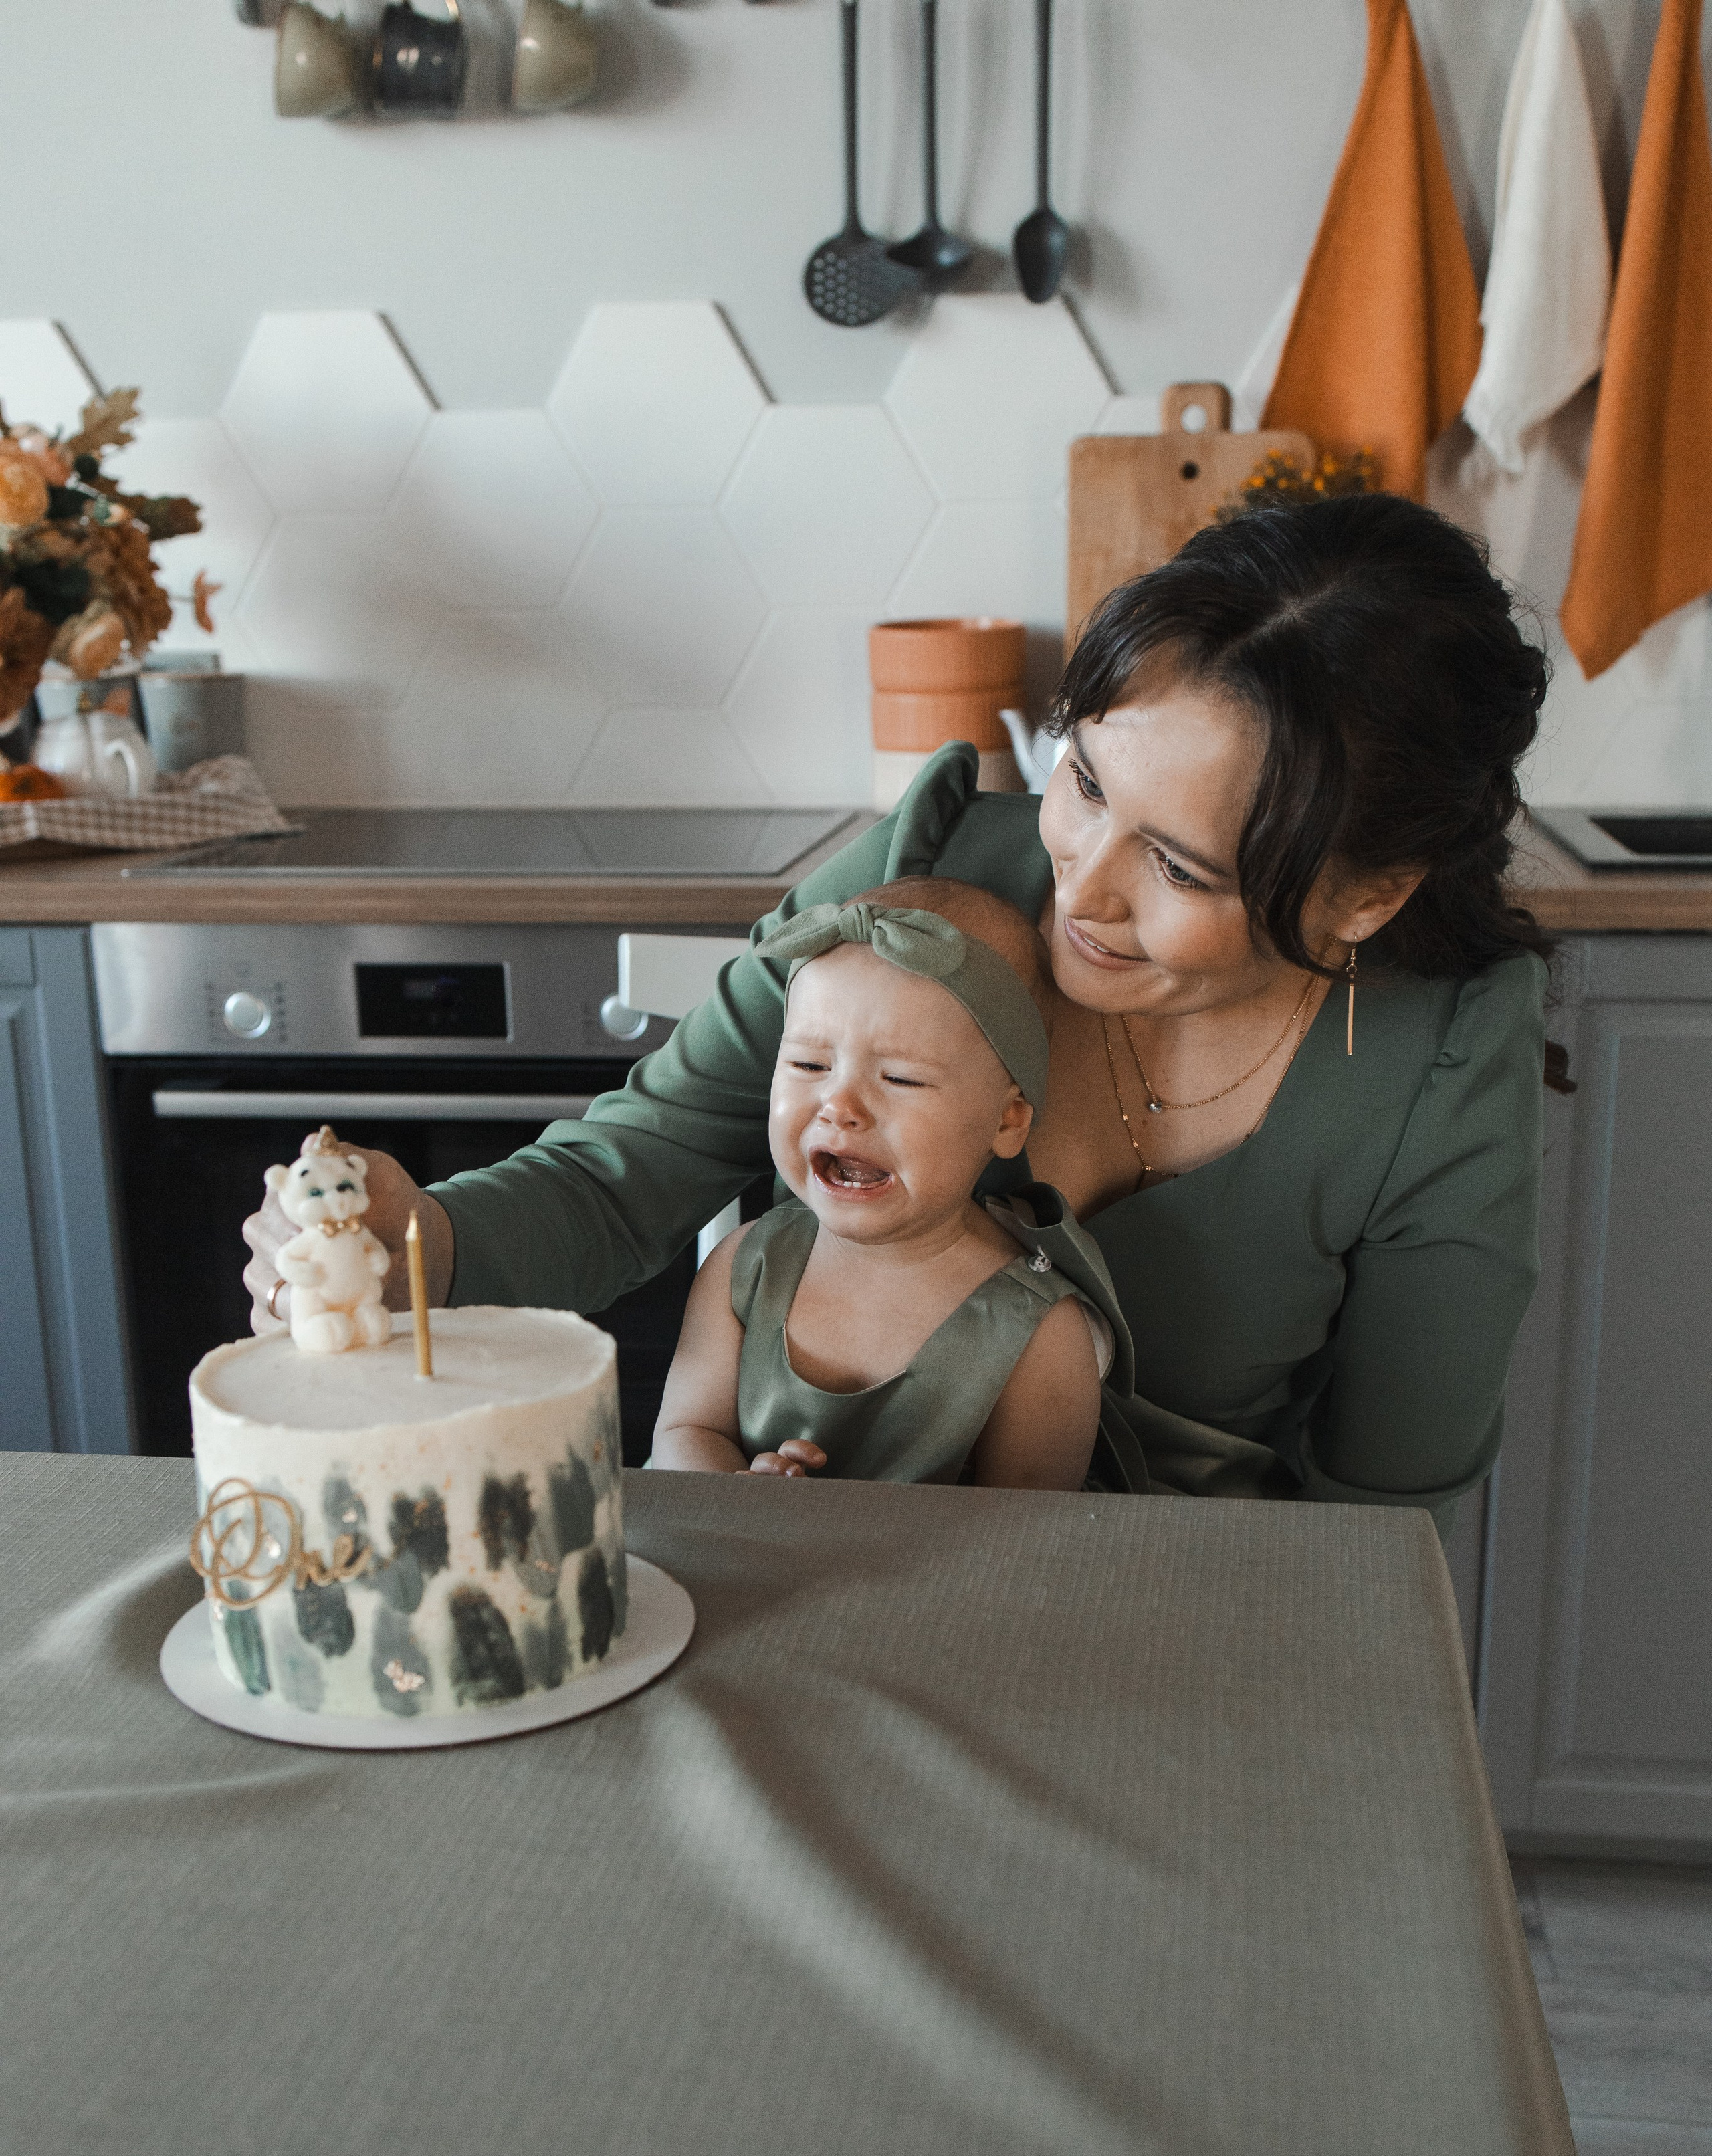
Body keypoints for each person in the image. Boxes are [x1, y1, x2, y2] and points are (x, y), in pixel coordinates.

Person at [243, 494, 1560, 1526]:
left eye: (1178, 867)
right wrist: (420, 1243)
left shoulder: (1439, 1057)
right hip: (812, 1585)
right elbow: (624, 1179)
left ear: (1367, 895)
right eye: (1084, 783)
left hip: (1189, 1630)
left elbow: (1383, 1515)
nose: (1080, 887)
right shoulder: (924, 876)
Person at [652, 879, 1112, 1489]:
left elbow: (1029, 1532)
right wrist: (741, 1490)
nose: (839, 1106)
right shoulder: (745, 1268)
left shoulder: (1038, 1333)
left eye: (900, 1078)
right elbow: (684, 1433)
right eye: (809, 1064)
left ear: (1006, 1121)